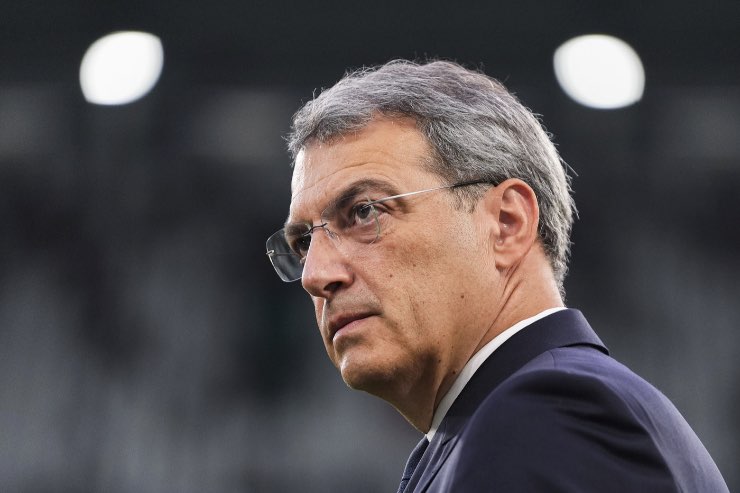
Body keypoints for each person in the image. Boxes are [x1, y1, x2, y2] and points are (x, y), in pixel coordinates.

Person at [265, 60, 728, 492]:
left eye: (364, 212)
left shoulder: (548, 416)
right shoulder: (504, 424)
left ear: (507, 223)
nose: (315, 275)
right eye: (303, 242)